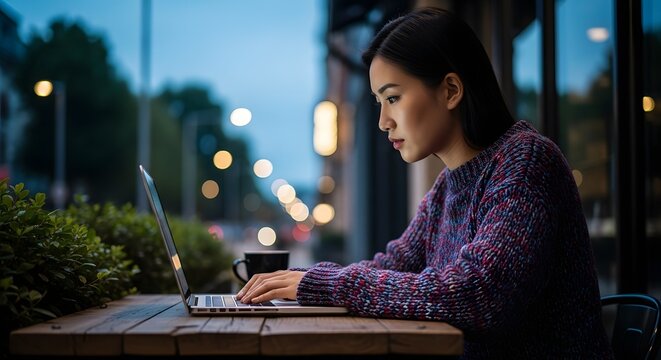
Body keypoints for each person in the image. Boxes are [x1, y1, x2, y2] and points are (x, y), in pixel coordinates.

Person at [237, 7, 613, 358]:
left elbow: (478, 294)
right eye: (378, 102)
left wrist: (322, 284)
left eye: (394, 98)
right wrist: (302, 281)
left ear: (450, 90)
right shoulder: (449, 186)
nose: (384, 121)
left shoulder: (526, 163)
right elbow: (394, 265)